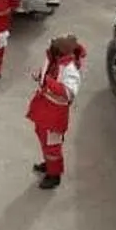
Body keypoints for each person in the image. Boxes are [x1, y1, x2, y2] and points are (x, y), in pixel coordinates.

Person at [27, 35, 85, 190]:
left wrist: (48, 82)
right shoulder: (52, 59)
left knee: (53, 145)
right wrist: (40, 76)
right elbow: (46, 72)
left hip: (55, 114)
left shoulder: (70, 70)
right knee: (43, 136)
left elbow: (68, 92)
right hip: (44, 107)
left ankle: (54, 175)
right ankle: (49, 163)